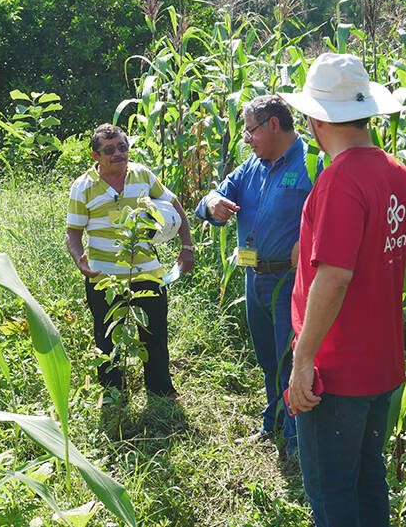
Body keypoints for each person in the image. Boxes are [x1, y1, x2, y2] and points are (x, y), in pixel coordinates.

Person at [278, 53, 406, 526]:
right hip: (383, 362)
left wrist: (302, 362)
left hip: (336, 371)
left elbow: (335, 277)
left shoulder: (340, 179)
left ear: (317, 119)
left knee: (331, 490)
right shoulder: (399, 175)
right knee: (366, 479)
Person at [194, 95, 320, 459]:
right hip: (255, 277)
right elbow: (217, 194)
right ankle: (275, 423)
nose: (246, 139)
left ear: (273, 125)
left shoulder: (312, 161)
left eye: (250, 131)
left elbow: (330, 212)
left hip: (290, 282)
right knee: (267, 358)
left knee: (290, 360)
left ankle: (299, 440)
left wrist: (308, 244)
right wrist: (211, 203)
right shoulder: (252, 166)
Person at [66, 123, 194, 399]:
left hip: (147, 272)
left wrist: (187, 246)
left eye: (122, 147)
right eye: (109, 150)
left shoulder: (142, 175)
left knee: (155, 332)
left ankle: (161, 391)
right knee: (107, 336)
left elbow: (174, 206)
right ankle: (113, 394)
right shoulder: (83, 186)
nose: (118, 154)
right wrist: (80, 261)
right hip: (104, 276)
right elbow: (73, 233)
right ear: (95, 156)